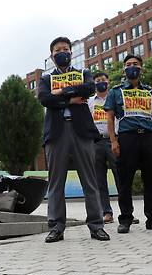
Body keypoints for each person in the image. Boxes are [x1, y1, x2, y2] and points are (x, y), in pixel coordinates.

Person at [38, 37, 110, 242]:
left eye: (66, 49)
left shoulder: (83, 73)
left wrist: (60, 92)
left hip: (82, 132)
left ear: (71, 52)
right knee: (55, 182)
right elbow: (45, 99)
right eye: (58, 50)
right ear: (52, 56)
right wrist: (70, 99)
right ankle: (56, 227)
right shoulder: (46, 79)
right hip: (56, 133)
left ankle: (96, 225)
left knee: (90, 180)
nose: (62, 52)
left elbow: (88, 89)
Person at [104, 54, 152, 233]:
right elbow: (110, 117)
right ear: (124, 69)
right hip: (127, 138)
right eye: (128, 64)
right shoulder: (115, 91)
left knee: (151, 180)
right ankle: (125, 219)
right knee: (125, 180)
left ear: (141, 68)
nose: (131, 66)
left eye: (135, 64)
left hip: (148, 138)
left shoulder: (150, 91)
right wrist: (113, 140)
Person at [87, 71, 119, 223]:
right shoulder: (90, 102)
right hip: (96, 143)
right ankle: (107, 212)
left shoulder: (116, 98)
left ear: (108, 81)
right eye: (98, 80)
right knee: (100, 180)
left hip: (114, 141)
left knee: (120, 176)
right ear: (94, 84)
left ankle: (127, 212)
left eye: (103, 80)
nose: (101, 82)